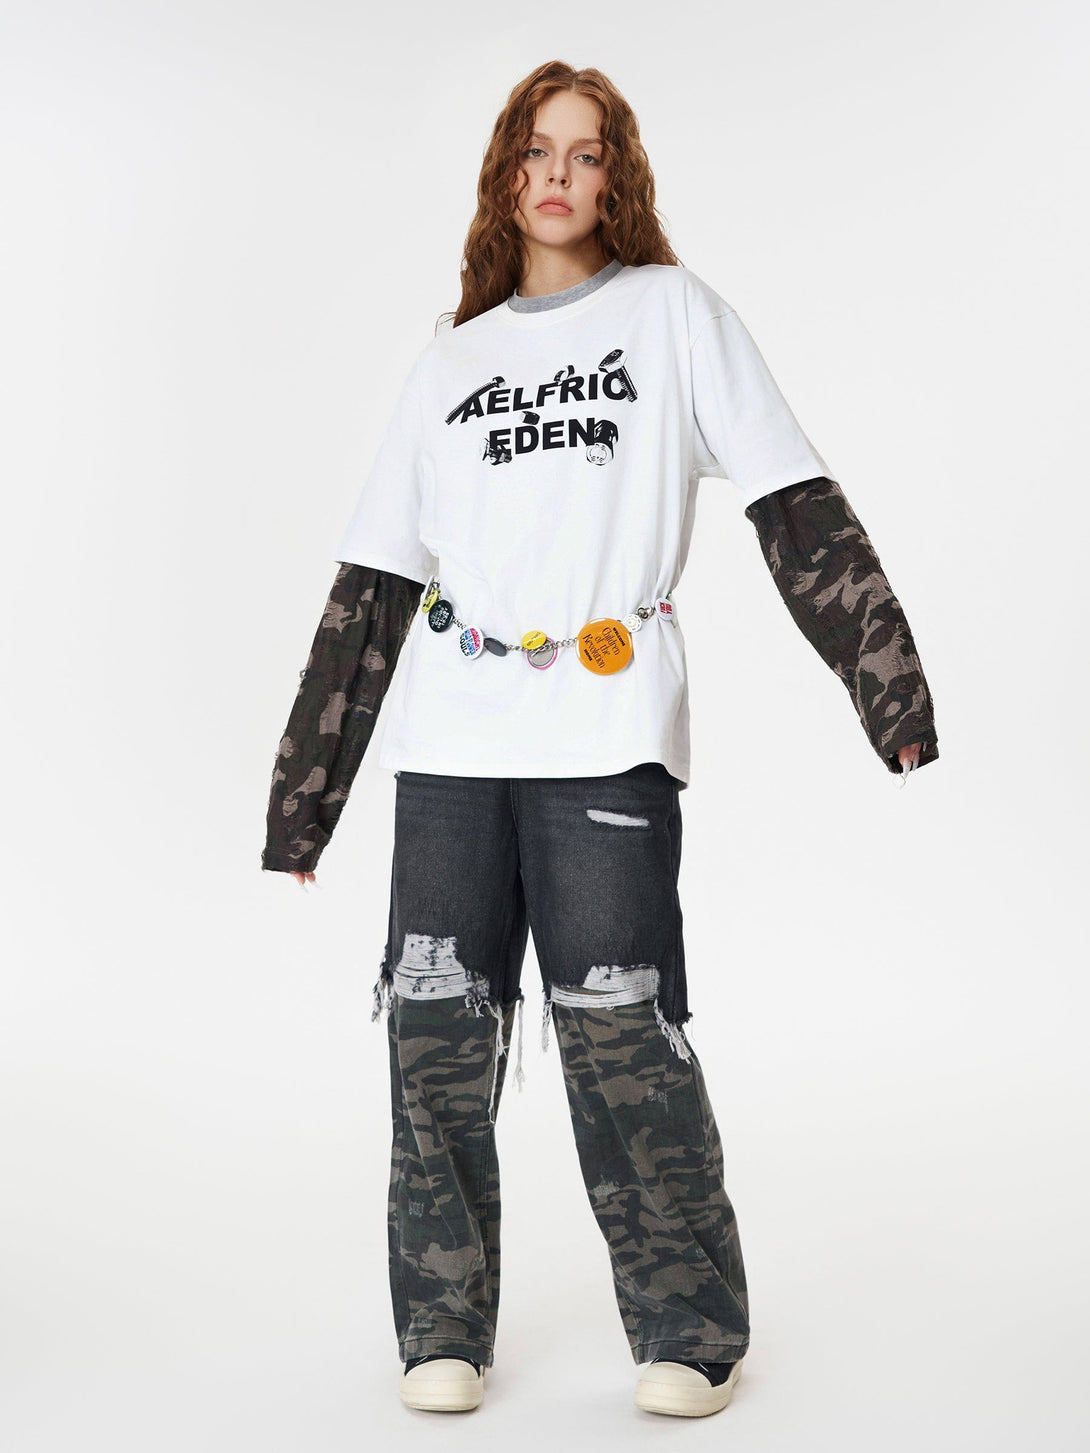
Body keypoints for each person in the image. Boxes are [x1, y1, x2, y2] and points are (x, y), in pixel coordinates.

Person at [261, 61, 938, 1419]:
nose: (558, 174)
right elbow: (372, 586)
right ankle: (440, 1328)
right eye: (535, 150)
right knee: (434, 1032)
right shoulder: (450, 360)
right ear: (504, 176)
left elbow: (793, 503)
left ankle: (690, 1330)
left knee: (622, 1029)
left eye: (585, 152)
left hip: (604, 729)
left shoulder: (674, 314)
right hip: (455, 744)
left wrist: (892, 694)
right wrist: (303, 803)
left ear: (615, 176)